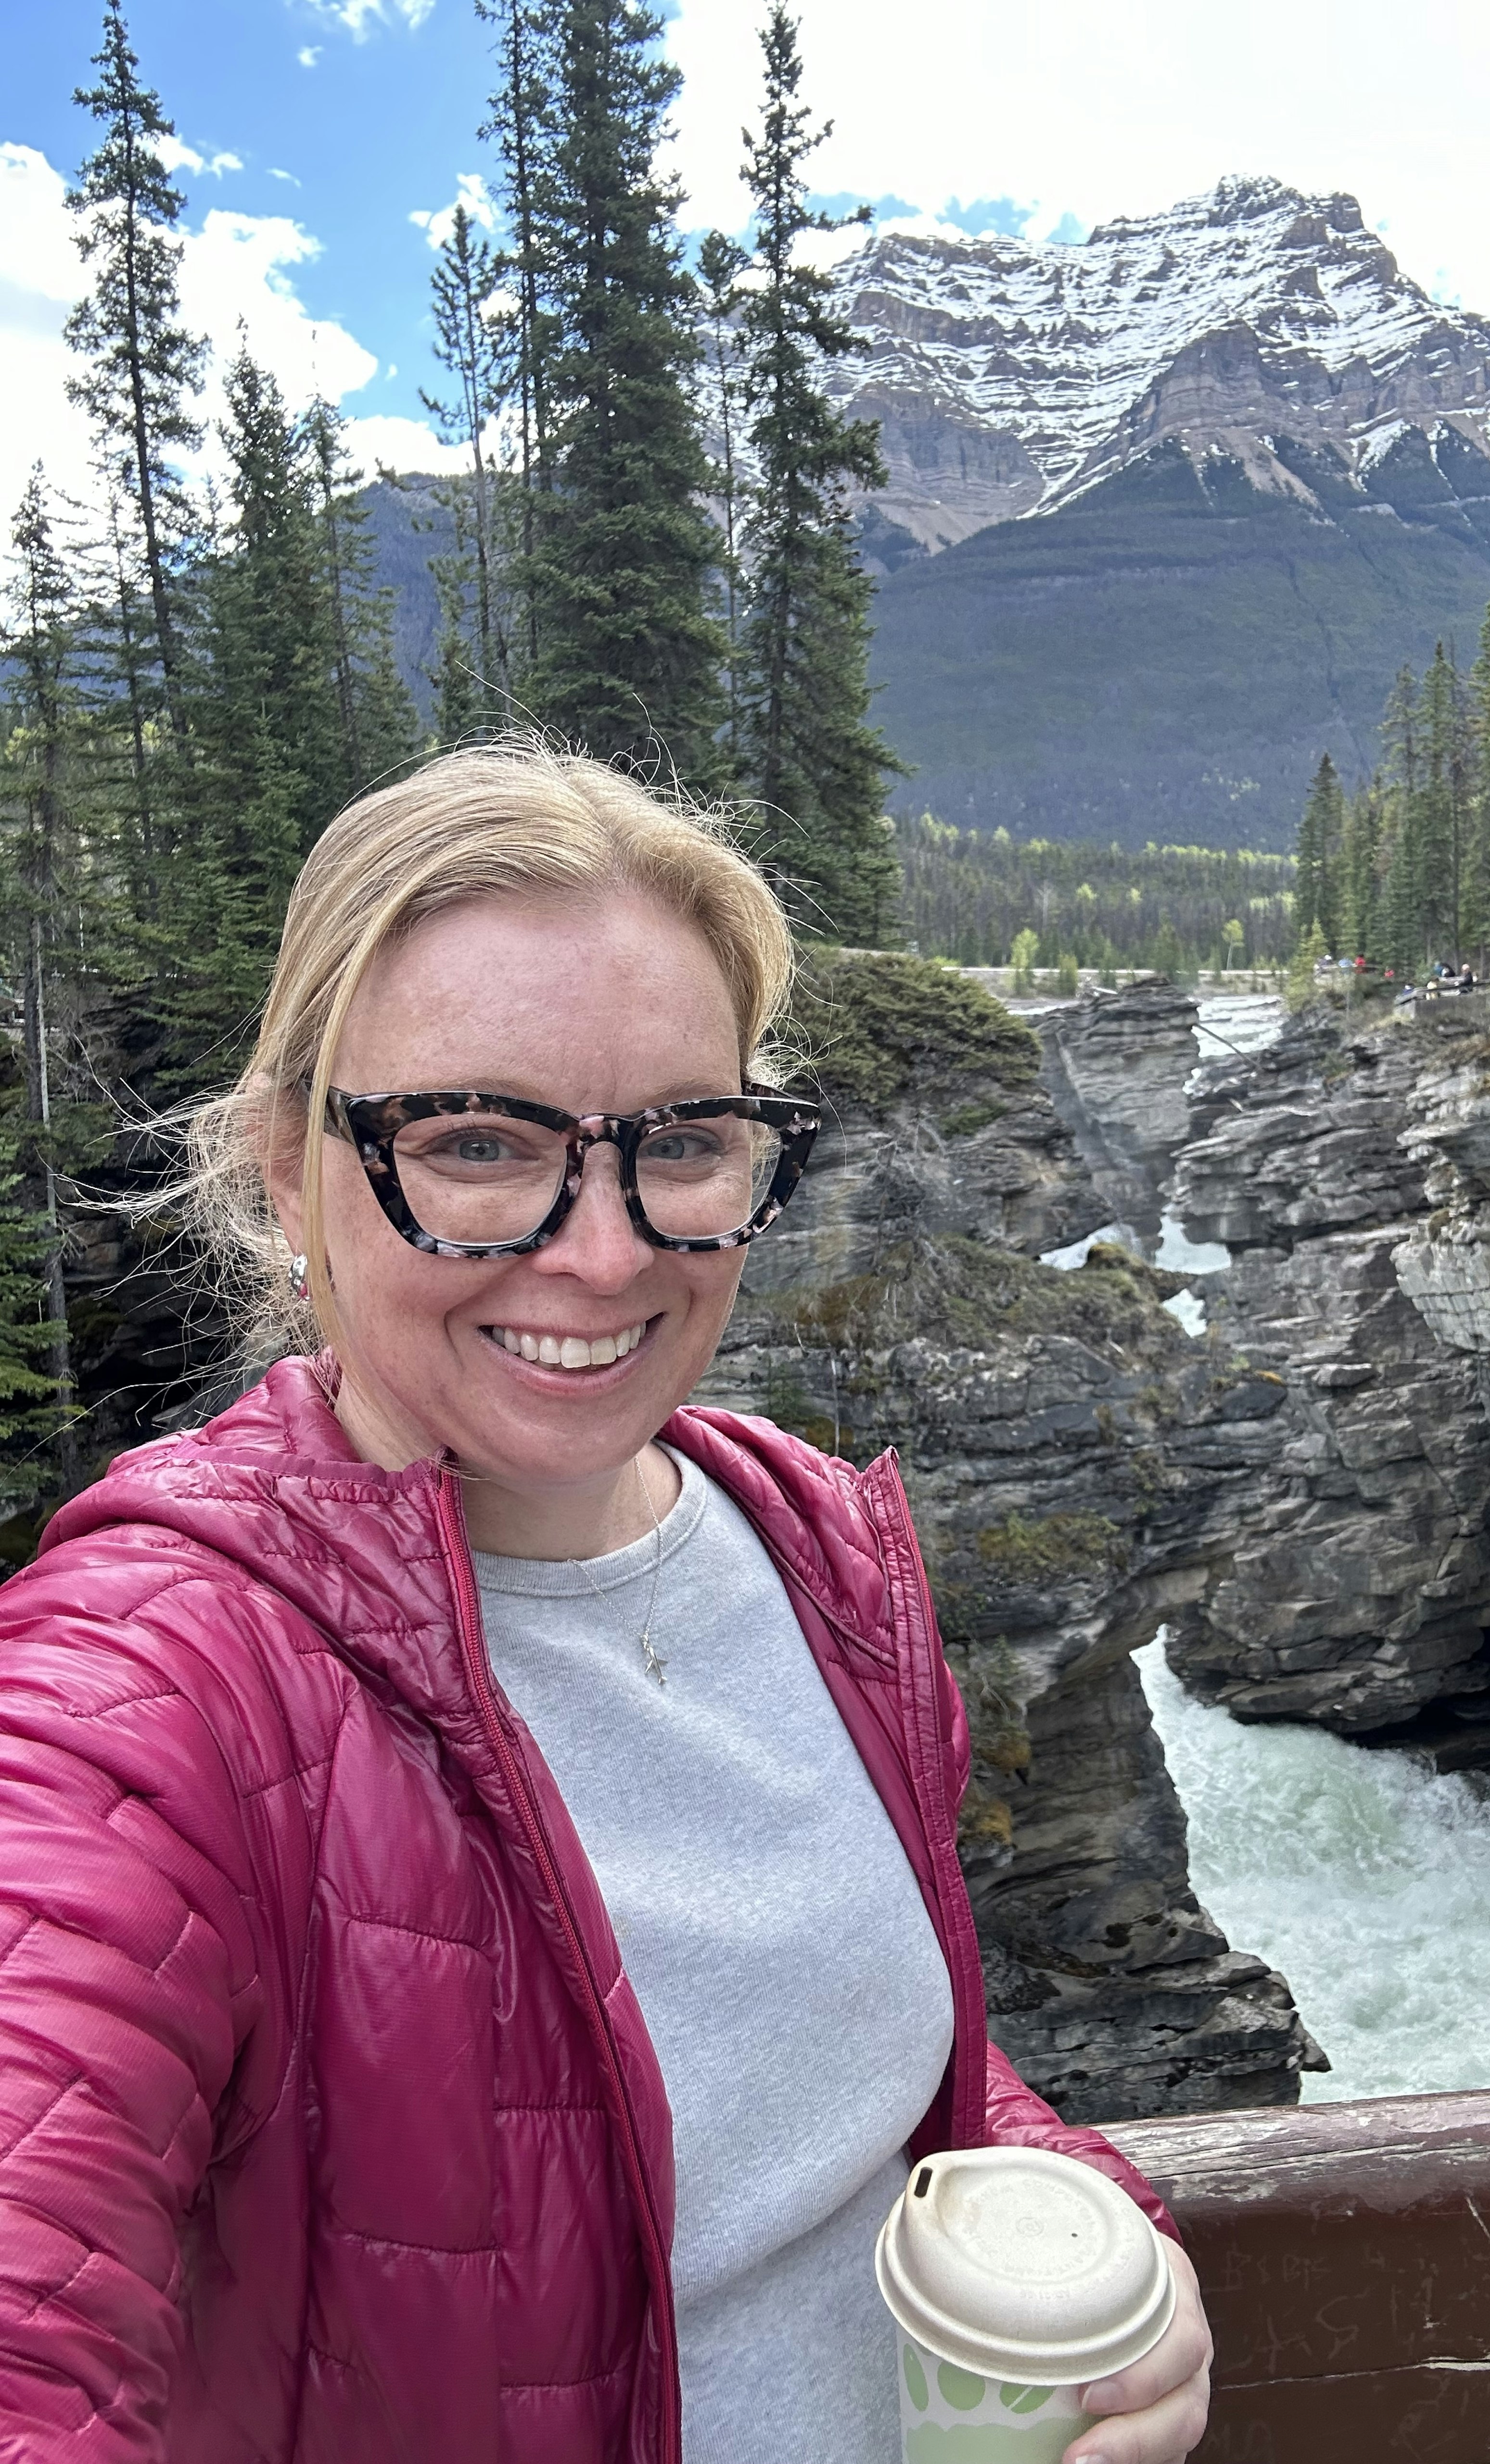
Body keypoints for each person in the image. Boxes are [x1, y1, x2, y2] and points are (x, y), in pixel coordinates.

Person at [0, 744, 1211, 2463]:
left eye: (686, 1142)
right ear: (288, 1174)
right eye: (480, 1141)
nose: (605, 1251)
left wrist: (1085, 2239)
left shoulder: (814, 1547)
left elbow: (863, 2080)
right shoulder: (142, 1690)